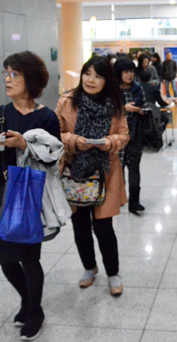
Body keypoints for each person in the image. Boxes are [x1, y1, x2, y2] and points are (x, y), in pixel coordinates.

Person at [0, 51, 59, 340]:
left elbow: (52, 159)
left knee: (28, 256)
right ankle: (27, 299)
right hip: (1, 188)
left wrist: (24, 144)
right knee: (3, 256)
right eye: (5, 74)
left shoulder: (46, 117)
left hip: (30, 190)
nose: (8, 80)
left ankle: (35, 311)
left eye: (15, 74)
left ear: (30, 79)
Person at [55, 56, 129, 297]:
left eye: (98, 76)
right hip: (74, 172)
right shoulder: (67, 101)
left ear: (106, 80)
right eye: (87, 73)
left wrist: (110, 141)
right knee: (80, 227)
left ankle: (113, 273)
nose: (91, 80)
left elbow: (124, 135)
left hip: (105, 172)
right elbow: (55, 133)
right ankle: (89, 267)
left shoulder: (115, 105)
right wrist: (73, 141)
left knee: (104, 227)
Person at [113, 58, 147, 215]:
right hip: (117, 136)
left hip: (134, 135)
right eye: (126, 72)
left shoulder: (137, 88)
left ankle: (134, 202)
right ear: (119, 73)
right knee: (117, 169)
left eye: (131, 71)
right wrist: (124, 109)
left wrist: (143, 111)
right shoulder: (111, 90)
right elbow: (107, 111)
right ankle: (119, 198)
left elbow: (144, 105)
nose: (129, 75)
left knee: (134, 169)